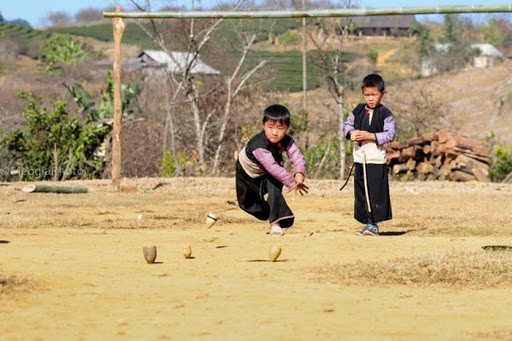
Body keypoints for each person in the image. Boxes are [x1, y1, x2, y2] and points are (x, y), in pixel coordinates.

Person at [236, 104, 308, 237]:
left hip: (271, 171)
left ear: (287, 128)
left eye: (280, 128)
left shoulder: (287, 140)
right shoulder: (259, 145)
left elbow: (296, 155)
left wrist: (299, 173)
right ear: (264, 125)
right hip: (246, 172)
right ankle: (270, 212)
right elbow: (272, 167)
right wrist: (292, 183)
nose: (275, 132)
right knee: (247, 204)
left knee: (275, 186)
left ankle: (276, 223)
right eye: (270, 127)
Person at [343, 73, 396, 236]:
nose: (370, 98)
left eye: (374, 95)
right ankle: (367, 222)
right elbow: (347, 125)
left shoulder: (386, 114)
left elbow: (390, 134)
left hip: (376, 159)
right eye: (367, 95)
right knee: (361, 192)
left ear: (383, 94)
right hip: (360, 159)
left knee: (375, 193)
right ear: (362, 94)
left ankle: (373, 224)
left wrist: (370, 136)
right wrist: (351, 133)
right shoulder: (357, 110)